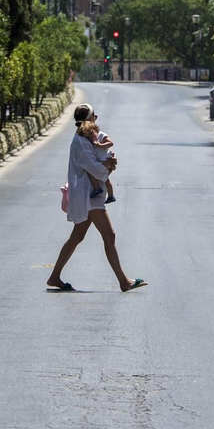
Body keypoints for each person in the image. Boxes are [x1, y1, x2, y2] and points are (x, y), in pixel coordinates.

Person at [48, 104, 145, 293]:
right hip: (88, 197)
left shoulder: (86, 139)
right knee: (109, 235)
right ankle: (124, 281)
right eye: (94, 117)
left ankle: (54, 276)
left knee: (77, 235)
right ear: (89, 119)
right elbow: (94, 168)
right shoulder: (81, 143)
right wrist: (108, 167)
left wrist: (108, 161)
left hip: (90, 196)